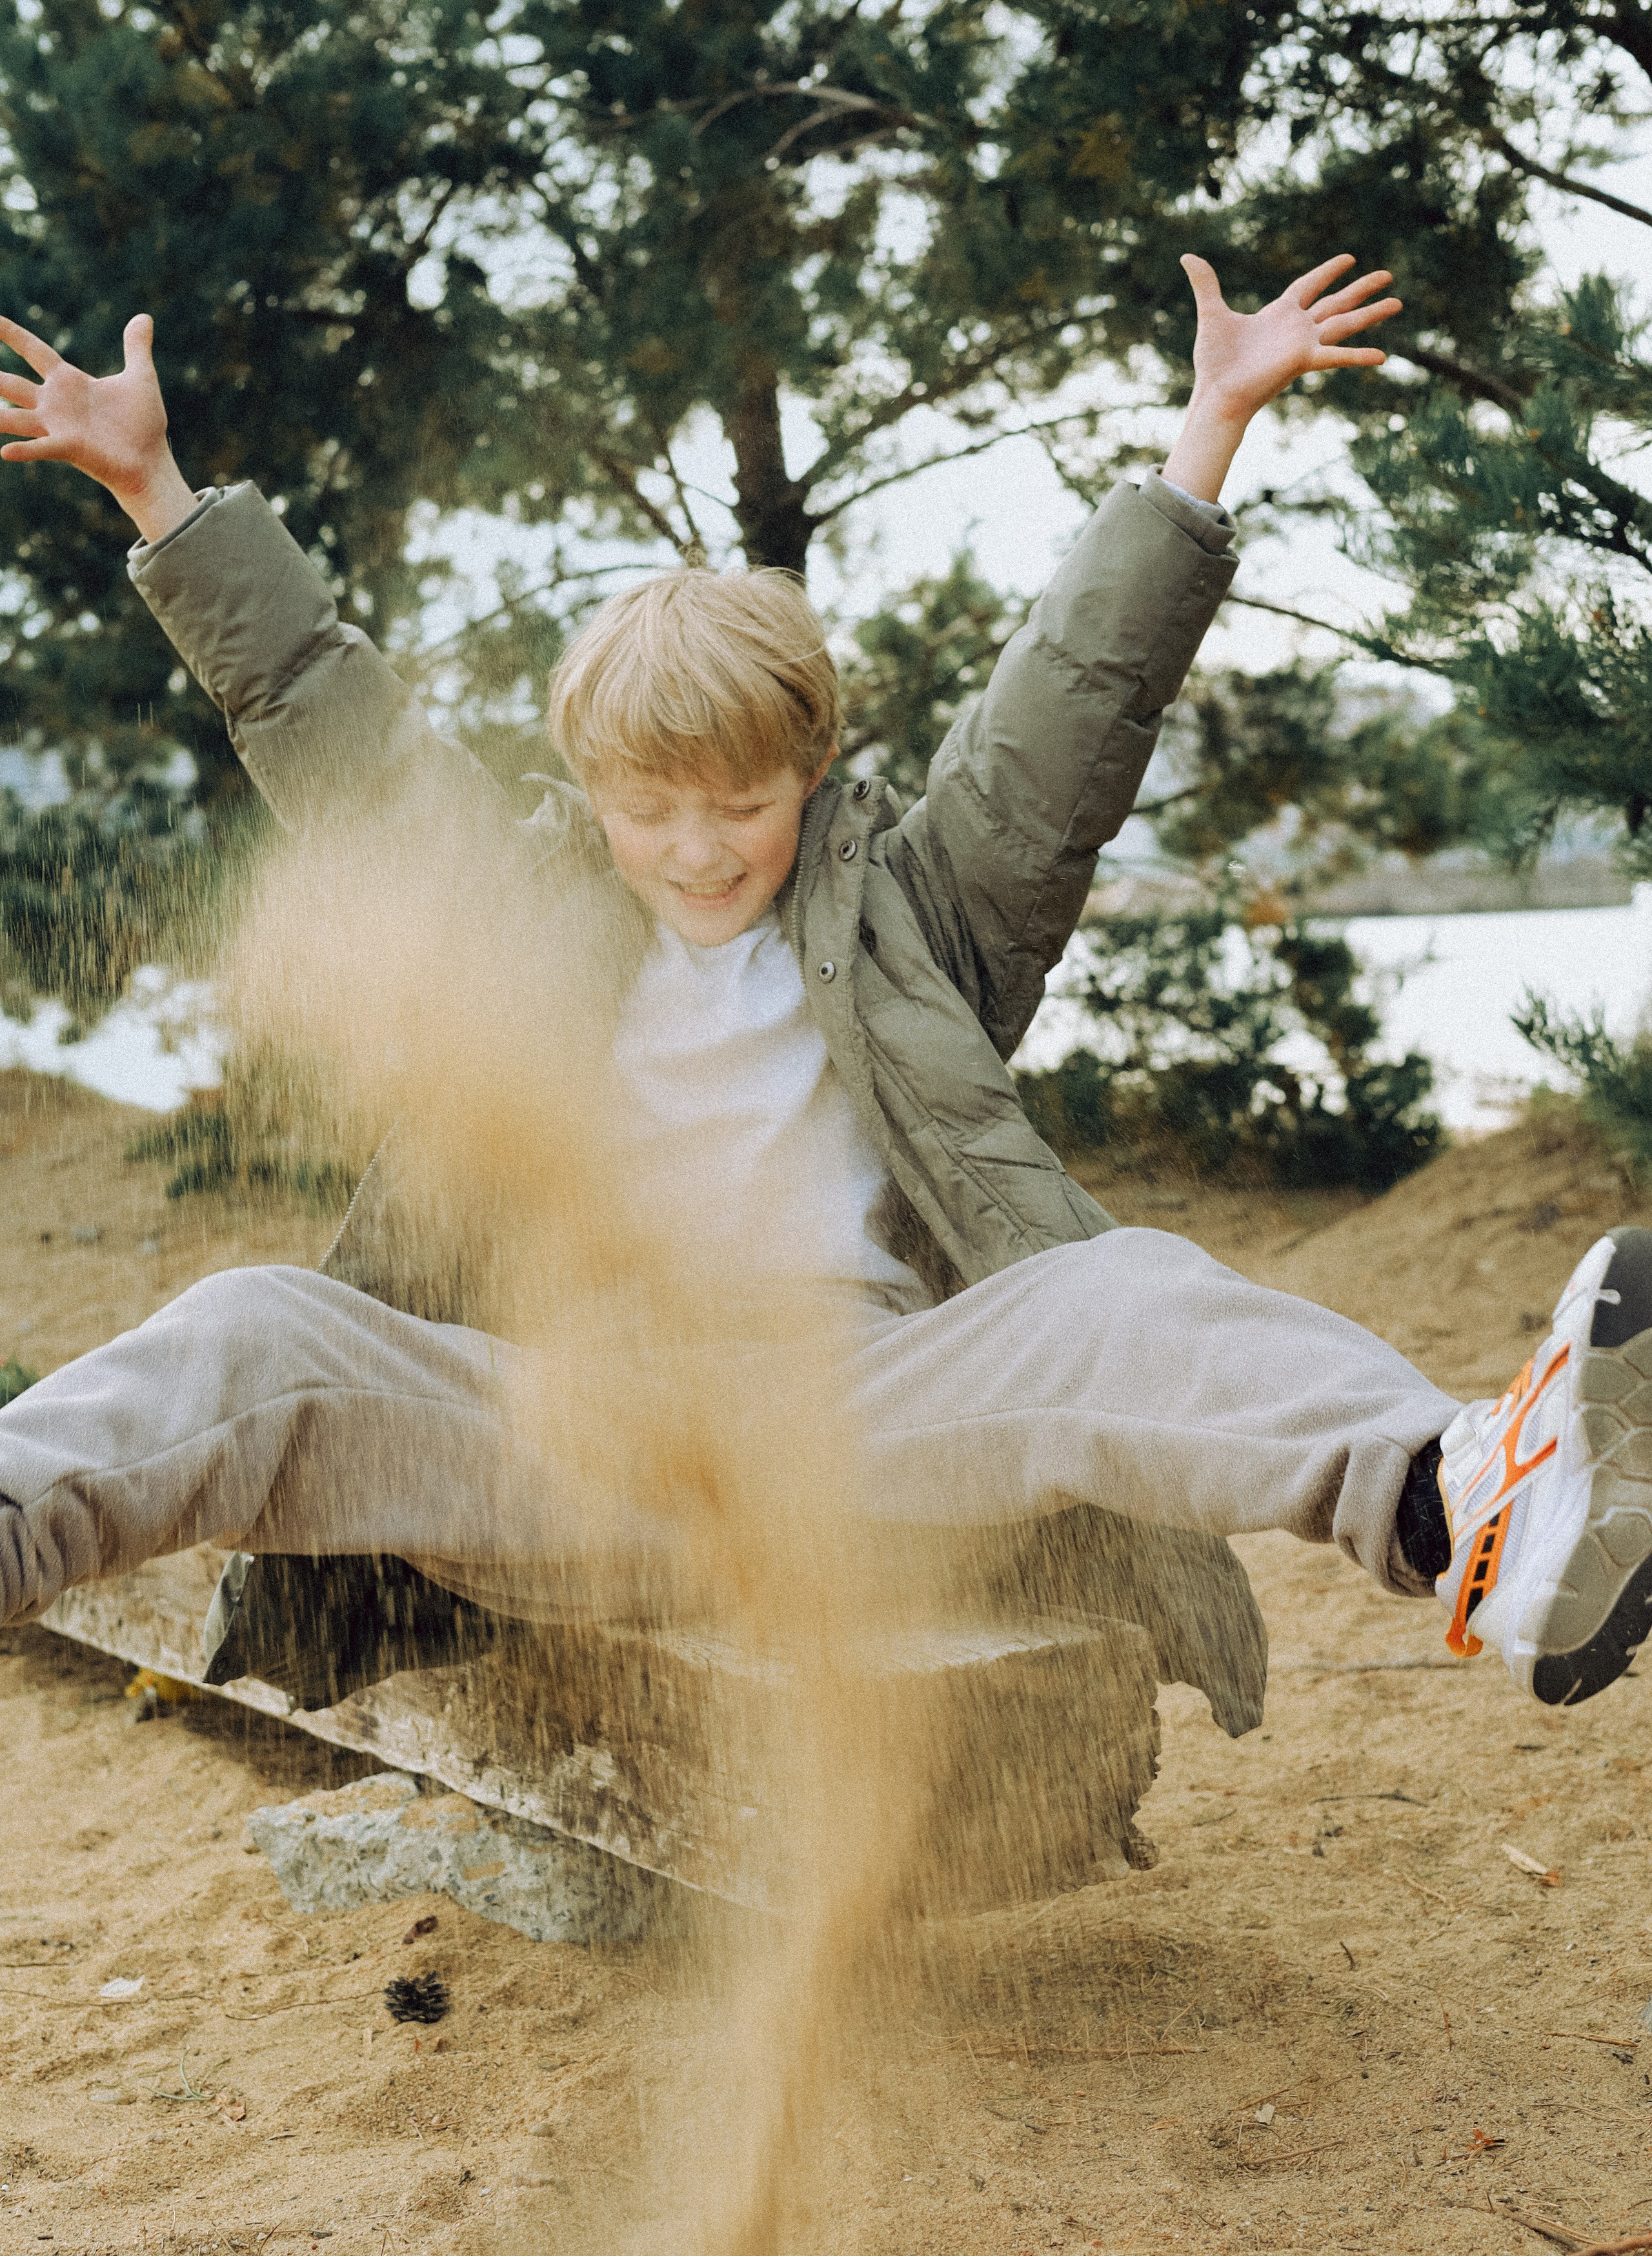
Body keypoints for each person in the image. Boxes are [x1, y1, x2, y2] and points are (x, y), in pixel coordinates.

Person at [0, 252, 1644, 1718]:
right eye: (649, 809)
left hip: (854, 1442)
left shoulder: (923, 908)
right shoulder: (512, 915)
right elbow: (327, 721)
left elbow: (1073, 702)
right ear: (587, 790)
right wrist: (155, 489)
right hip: (562, 1458)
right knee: (255, 1325)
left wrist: (1200, 437)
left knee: (1115, 1292)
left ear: (812, 771)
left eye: (743, 803)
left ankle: (1466, 1509)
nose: (698, 848)